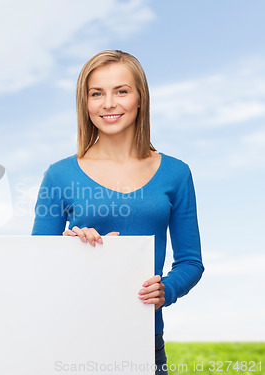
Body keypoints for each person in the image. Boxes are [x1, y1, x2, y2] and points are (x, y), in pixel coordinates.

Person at [31, 50, 204, 375]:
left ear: (140, 98)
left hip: (144, 337)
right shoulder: (58, 175)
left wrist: (167, 289)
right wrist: (68, 250)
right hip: (74, 337)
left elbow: (191, 261)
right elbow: (37, 266)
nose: (108, 103)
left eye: (121, 91)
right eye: (97, 93)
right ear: (85, 103)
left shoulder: (176, 174)